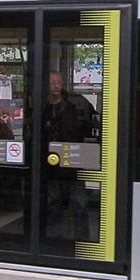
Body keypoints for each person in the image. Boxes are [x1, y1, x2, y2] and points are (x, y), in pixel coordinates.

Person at [43, 72, 92, 241]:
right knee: (53, 203)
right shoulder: (43, 107)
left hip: (73, 161)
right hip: (51, 165)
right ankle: (55, 237)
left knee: (79, 202)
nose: (56, 86)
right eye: (52, 83)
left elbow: (85, 128)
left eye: (58, 82)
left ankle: (82, 239)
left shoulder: (74, 106)